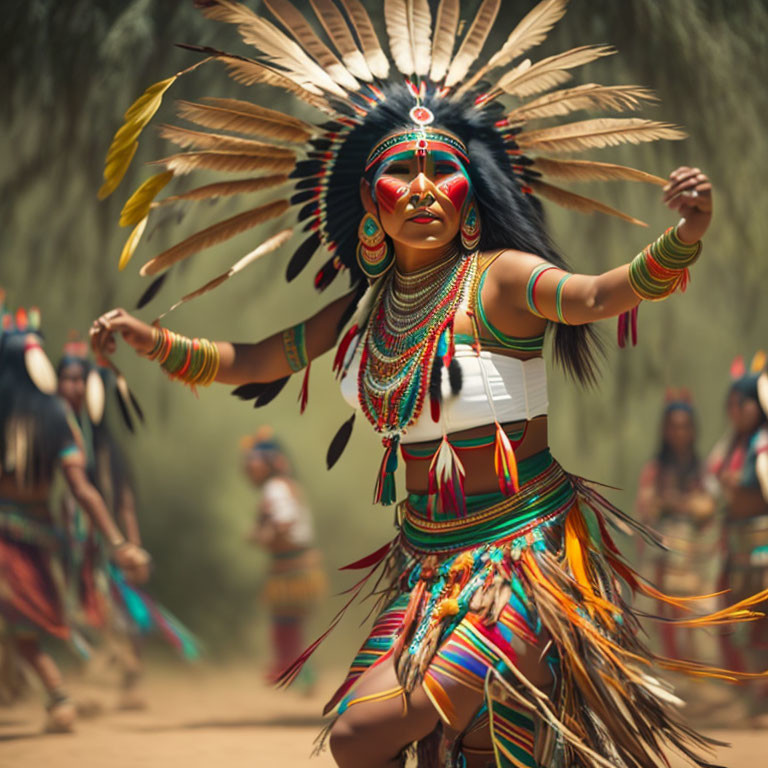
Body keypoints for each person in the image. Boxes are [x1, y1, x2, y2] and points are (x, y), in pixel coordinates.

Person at [90, 2, 767, 765]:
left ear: (469, 202)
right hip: (425, 565)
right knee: (454, 750)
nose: (421, 187)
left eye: (441, 169)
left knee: (360, 736)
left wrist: (683, 238)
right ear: (370, 208)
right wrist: (148, 339)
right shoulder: (361, 312)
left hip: (523, 557)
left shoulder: (501, 280)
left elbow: (592, 297)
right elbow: (254, 361)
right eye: (399, 171)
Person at [0, 300, 149, 732]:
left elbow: (91, 491)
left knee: (22, 624)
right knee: (21, 625)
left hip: (14, 534)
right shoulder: (56, 416)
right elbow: (82, 489)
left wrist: (118, 542)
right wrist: (118, 541)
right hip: (39, 534)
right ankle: (58, 698)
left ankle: (58, 696)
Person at [56, 338, 200, 710]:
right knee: (71, 609)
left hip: (103, 544)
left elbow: (123, 500)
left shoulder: (104, 445)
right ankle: (74, 688)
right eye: (66, 379)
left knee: (131, 613)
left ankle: (129, 682)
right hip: (61, 538)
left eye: (79, 379)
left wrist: (129, 545)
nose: (73, 387)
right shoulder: (48, 430)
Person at [635, 391, 718, 661]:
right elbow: (647, 508)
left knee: (695, 620)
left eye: (684, 425)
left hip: (695, 559)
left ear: (693, 429)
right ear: (665, 429)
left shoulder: (702, 470)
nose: (679, 432)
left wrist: (675, 503)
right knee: (660, 618)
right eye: (673, 425)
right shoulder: (655, 470)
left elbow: (708, 508)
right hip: (662, 558)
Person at [709, 355, 768, 725]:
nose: (735, 410)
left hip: (763, 551)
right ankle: (753, 693)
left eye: (741, 403)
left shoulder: (762, 445)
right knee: (742, 625)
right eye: (731, 404)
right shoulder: (730, 446)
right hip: (737, 552)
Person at [243, 428, 326, 689]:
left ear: (270, 462)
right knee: (289, 622)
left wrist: (263, 535)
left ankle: (293, 667)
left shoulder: (276, 488)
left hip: (292, 566)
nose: (249, 467)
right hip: (296, 565)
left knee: (285, 623)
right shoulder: (285, 486)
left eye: (254, 461)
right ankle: (299, 669)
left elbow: (285, 521)